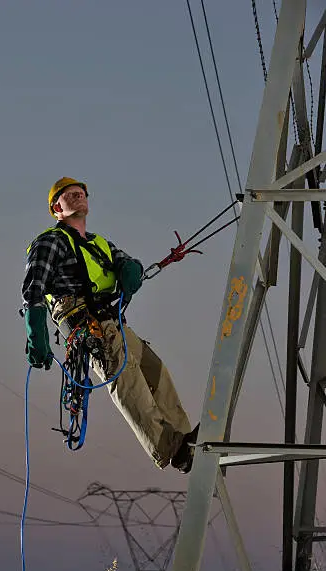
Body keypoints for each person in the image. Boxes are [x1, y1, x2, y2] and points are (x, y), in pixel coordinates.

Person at [21, 177, 199, 473]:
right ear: (57, 208)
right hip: (85, 323)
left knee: (156, 372)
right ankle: (169, 448)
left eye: (81, 193)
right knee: (128, 382)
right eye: (70, 195)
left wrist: (132, 270)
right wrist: (35, 334)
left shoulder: (99, 244)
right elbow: (33, 290)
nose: (78, 196)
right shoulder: (50, 242)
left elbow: (128, 263)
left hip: (111, 321)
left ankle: (185, 440)